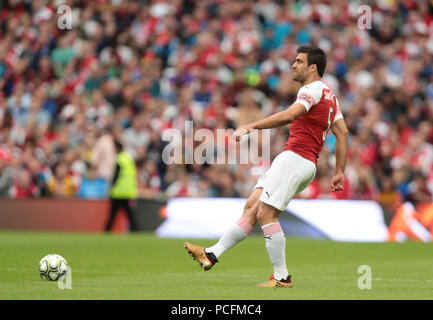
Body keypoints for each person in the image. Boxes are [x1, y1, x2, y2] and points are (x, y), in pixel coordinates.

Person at [184, 46, 349, 288]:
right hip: (301, 161)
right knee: (252, 207)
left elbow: (290, 115)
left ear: (313, 67)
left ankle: (282, 277)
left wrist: (251, 126)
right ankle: (211, 254)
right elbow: (343, 133)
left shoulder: (311, 90)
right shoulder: (330, 96)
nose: (293, 65)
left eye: (299, 61)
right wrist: (339, 171)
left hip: (295, 158)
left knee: (265, 214)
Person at [105, 140, 138, 232]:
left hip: (118, 192)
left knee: (113, 214)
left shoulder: (119, 159)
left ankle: (107, 230)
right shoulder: (128, 159)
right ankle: (136, 230)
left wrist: (111, 187)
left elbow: (116, 175)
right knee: (128, 214)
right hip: (128, 192)